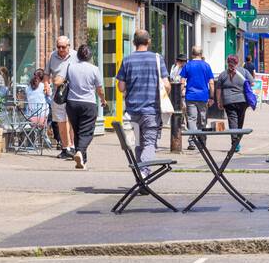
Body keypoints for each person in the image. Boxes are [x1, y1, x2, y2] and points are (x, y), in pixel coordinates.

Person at [116, 30, 170, 171]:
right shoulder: (157, 59)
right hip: (151, 111)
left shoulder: (127, 60)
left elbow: (121, 87)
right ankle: (144, 173)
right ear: (149, 41)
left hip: (133, 110)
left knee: (139, 144)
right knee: (149, 144)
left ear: (134, 43)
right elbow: (166, 85)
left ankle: (142, 179)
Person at [64, 44, 108, 170]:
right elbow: (99, 89)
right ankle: (79, 152)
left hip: (72, 103)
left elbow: (66, 82)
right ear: (90, 56)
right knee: (87, 132)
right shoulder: (94, 69)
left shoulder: (70, 67)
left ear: (78, 55)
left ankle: (82, 160)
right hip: (88, 103)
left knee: (78, 131)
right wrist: (103, 100)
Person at [214, 55, 256, 151]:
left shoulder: (223, 74)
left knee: (233, 121)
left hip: (228, 101)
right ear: (237, 63)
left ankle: (235, 143)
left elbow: (218, 89)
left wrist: (219, 101)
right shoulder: (244, 71)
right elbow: (252, 83)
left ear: (227, 63)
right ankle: (237, 142)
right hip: (242, 101)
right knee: (240, 121)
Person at [47, 36, 77, 158]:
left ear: (68, 46)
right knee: (61, 122)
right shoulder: (52, 56)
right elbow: (46, 73)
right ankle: (65, 148)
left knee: (72, 121)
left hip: (73, 93)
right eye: (58, 47)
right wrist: (45, 84)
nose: (60, 49)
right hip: (58, 94)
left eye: (63, 47)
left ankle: (73, 147)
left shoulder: (76, 56)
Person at [179, 46, 215, 132]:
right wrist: (212, 97)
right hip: (203, 96)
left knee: (191, 119)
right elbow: (211, 83)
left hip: (190, 96)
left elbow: (182, 82)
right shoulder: (206, 66)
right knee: (202, 119)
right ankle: (202, 140)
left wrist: (180, 94)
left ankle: (192, 141)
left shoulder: (187, 66)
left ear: (192, 54)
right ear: (201, 54)